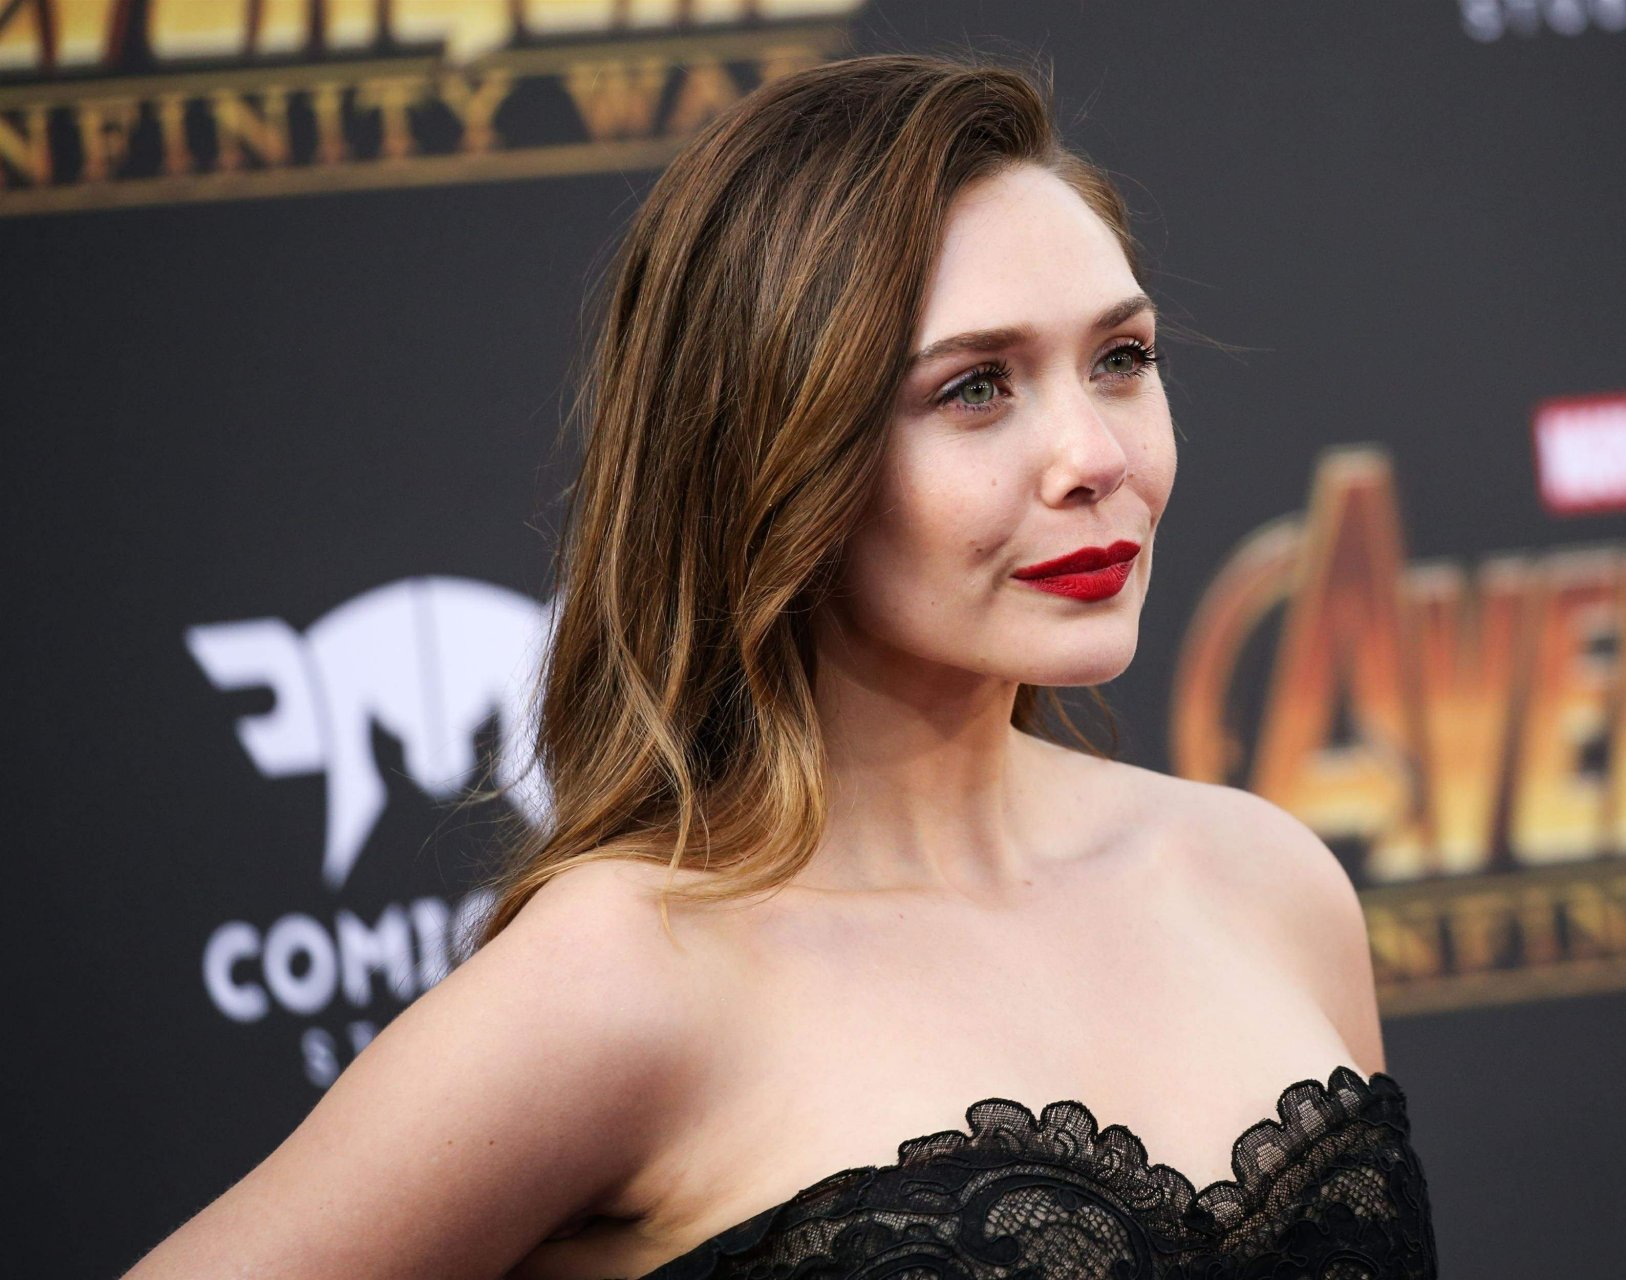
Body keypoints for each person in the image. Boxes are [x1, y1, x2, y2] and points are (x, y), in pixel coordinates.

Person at [123, 50, 1439, 1280]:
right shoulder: (629, 973)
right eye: (975, 388)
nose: (1095, 456)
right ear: (772, 450)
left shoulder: (1269, 883)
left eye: (1122, 360)